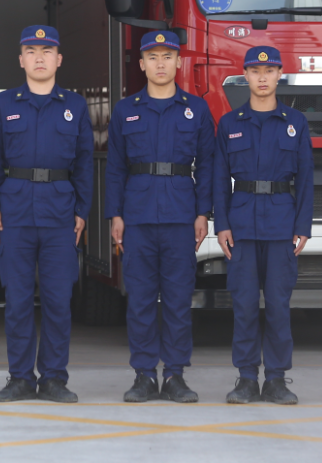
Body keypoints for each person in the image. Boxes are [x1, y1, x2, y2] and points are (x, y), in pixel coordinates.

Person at [0, 25, 91, 404]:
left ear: (59, 59)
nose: (39, 57)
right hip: (14, 212)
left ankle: (54, 378)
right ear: (21, 60)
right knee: (17, 300)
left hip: (60, 213)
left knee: (58, 300)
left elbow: (84, 163)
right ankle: (20, 378)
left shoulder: (75, 106)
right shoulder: (4, 105)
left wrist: (82, 210)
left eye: (46, 51)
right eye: (31, 51)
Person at [106, 29, 214, 404]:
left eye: (167, 56)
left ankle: (175, 376)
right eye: (153, 57)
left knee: (178, 300)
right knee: (139, 299)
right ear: (142, 64)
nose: (160, 64)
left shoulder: (196, 109)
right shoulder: (125, 110)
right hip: (137, 217)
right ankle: (143, 376)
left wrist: (203, 212)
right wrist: (115, 214)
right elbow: (116, 167)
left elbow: (208, 165)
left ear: (178, 62)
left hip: (181, 216)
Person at [212, 46, 313, 405]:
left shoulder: (295, 122)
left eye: (269, 71)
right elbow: (219, 179)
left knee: (278, 306)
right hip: (241, 226)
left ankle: (276, 380)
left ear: (279, 74)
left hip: (281, 226)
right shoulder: (230, 124)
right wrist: (222, 224)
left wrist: (303, 225)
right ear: (246, 75)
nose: (262, 77)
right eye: (255, 71)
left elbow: (306, 179)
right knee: (243, 305)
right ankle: (245, 379)